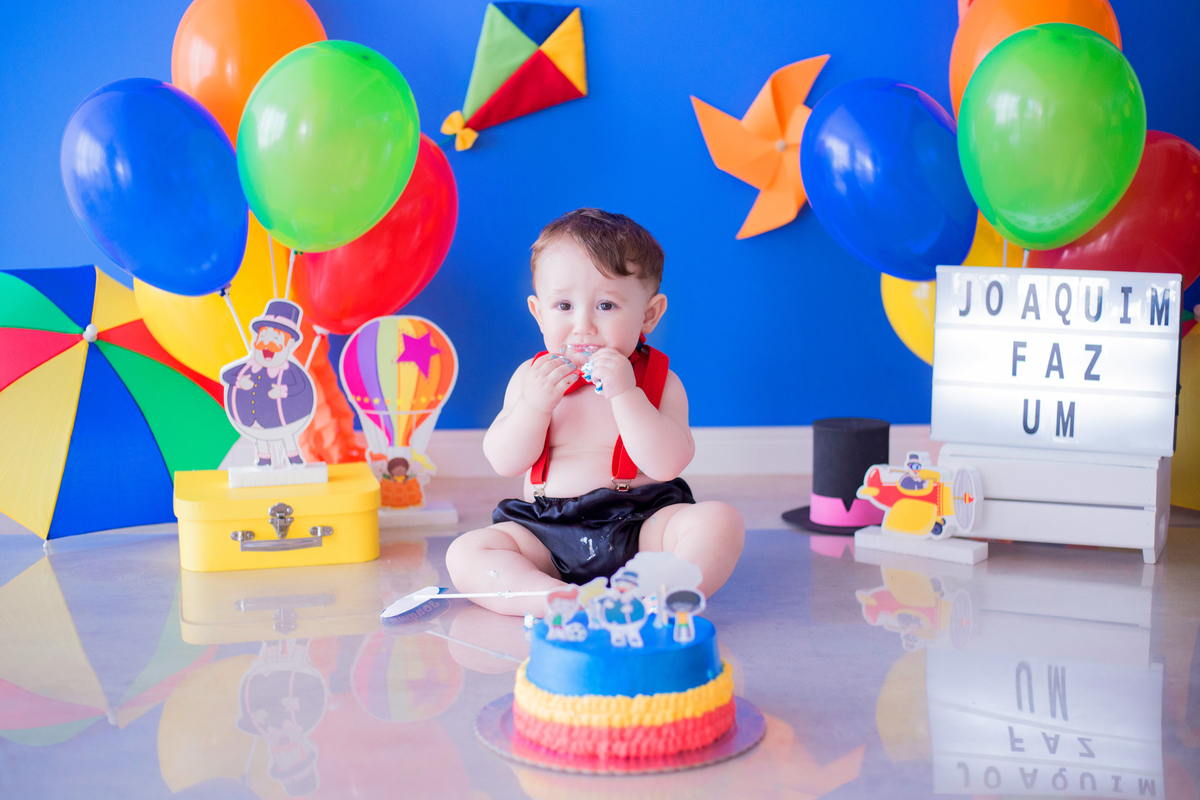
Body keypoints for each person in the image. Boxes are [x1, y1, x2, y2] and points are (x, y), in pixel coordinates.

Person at [446, 209, 745, 616]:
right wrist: (535, 405)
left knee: (718, 521)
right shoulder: (530, 378)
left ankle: (657, 593)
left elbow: (667, 463)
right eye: (564, 305)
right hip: (547, 530)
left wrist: (626, 394)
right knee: (467, 552)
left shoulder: (660, 381)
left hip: (640, 525)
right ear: (538, 312)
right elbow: (504, 460)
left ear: (649, 315)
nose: (582, 325)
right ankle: (551, 598)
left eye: (606, 305)